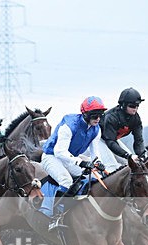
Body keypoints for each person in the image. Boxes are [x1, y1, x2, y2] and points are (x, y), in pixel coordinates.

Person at [40, 96, 106, 230]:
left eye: (100, 115)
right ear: (85, 114)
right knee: (66, 181)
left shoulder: (96, 129)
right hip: (51, 156)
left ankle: (76, 211)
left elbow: (94, 152)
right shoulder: (70, 125)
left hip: (69, 158)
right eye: (95, 115)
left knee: (88, 178)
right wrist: (80, 162)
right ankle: (55, 217)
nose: (98, 118)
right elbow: (59, 152)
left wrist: (98, 162)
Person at [98, 87, 146, 173]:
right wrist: (127, 155)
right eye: (132, 106)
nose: (135, 108)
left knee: (132, 164)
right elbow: (110, 142)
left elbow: (138, 140)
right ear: (123, 105)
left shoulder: (136, 118)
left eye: (137, 106)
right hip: (99, 140)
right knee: (112, 167)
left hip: (113, 140)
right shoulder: (112, 117)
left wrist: (142, 156)